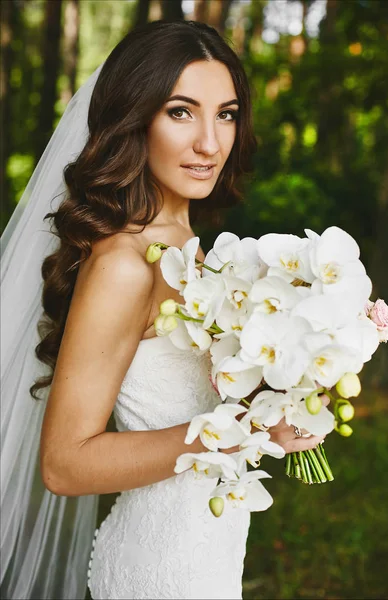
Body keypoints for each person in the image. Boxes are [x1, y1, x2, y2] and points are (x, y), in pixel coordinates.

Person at [0, 20, 326, 600]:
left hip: (210, 555)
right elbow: (65, 464)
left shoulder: (197, 254)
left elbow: (185, 398)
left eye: (225, 113)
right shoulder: (126, 264)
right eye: (181, 112)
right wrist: (239, 430)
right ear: (135, 119)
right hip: (160, 572)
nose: (209, 142)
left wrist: (285, 387)